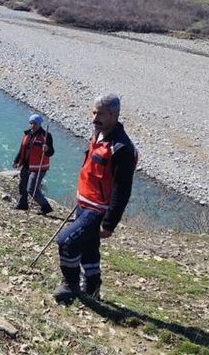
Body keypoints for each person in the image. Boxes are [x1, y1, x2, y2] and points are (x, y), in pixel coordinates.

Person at [53, 94, 137, 304]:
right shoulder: (98, 134)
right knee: (89, 248)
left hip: (97, 210)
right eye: (93, 112)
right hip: (84, 203)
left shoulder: (121, 148)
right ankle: (92, 287)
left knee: (66, 241)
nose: (94, 117)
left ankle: (69, 284)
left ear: (114, 115)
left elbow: (122, 189)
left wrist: (109, 223)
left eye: (100, 113)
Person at [12, 114, 54, 215]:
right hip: (26, 164)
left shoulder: (46, 135)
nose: (32, 125)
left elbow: (51, 152)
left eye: (35, 123)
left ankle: (45, 207)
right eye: (31, 123)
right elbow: (22, 149)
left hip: (38, 166)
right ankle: (23, 204)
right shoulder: (27, 134)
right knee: (22, 185)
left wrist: (47, 149)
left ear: (39, 124)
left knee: (32, 188)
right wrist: (16, 160)